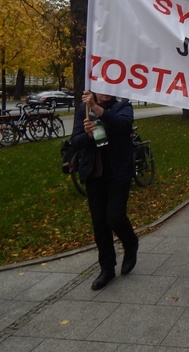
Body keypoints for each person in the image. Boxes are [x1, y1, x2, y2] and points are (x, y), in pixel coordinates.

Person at [70, 91, 139, 290]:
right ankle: (107, 268)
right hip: (94, 174)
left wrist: (97, 108)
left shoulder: (123, 107)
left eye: (110, 87)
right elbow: (75, 141)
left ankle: (130, 242)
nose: (106, 91)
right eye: (101, 87)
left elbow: (121, 126)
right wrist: (88, 135)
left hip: (118, 173)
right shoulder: (83, 110)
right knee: (100, 224)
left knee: (115, 218)